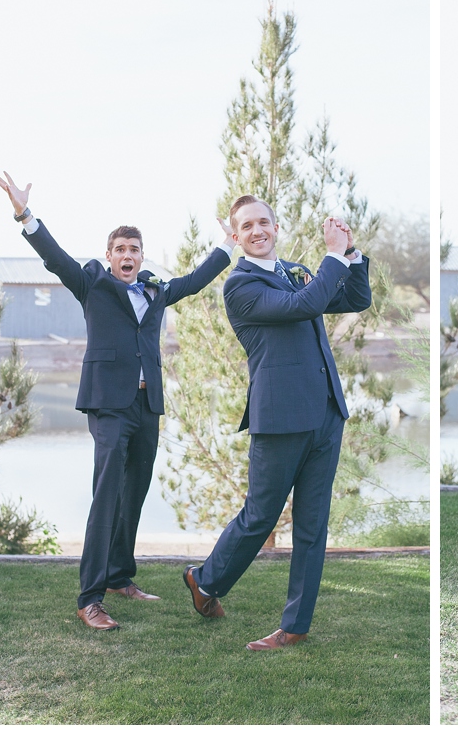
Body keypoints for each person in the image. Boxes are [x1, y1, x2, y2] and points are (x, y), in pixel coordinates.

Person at [0, 171, 234, 631]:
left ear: (142, 257)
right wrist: (25, 213)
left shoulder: (157, 292)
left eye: (134, 250)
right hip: (108, 405)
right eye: (120, 250)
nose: (128, 256)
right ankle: (90, 598)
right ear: (109, 257)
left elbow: (197, 280)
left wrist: (226, 246)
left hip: (147, 406)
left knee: (135, 491)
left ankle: (122, 576)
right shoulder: (92, 285)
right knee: (106, 493)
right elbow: (54, 258)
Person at [182, 195, 372, 651]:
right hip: (281, 418)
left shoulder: (295, 270)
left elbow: (355, 299)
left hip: (327, 414)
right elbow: (304, 305)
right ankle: (205, 580)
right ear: (236, 236)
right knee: (260, 515)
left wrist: (350, 255)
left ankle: (296, 625)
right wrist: (329, 257)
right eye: (246, 226)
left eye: (263, 222)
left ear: (277, 225)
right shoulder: (239, 286)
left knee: (313, 524)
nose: (257, 231)